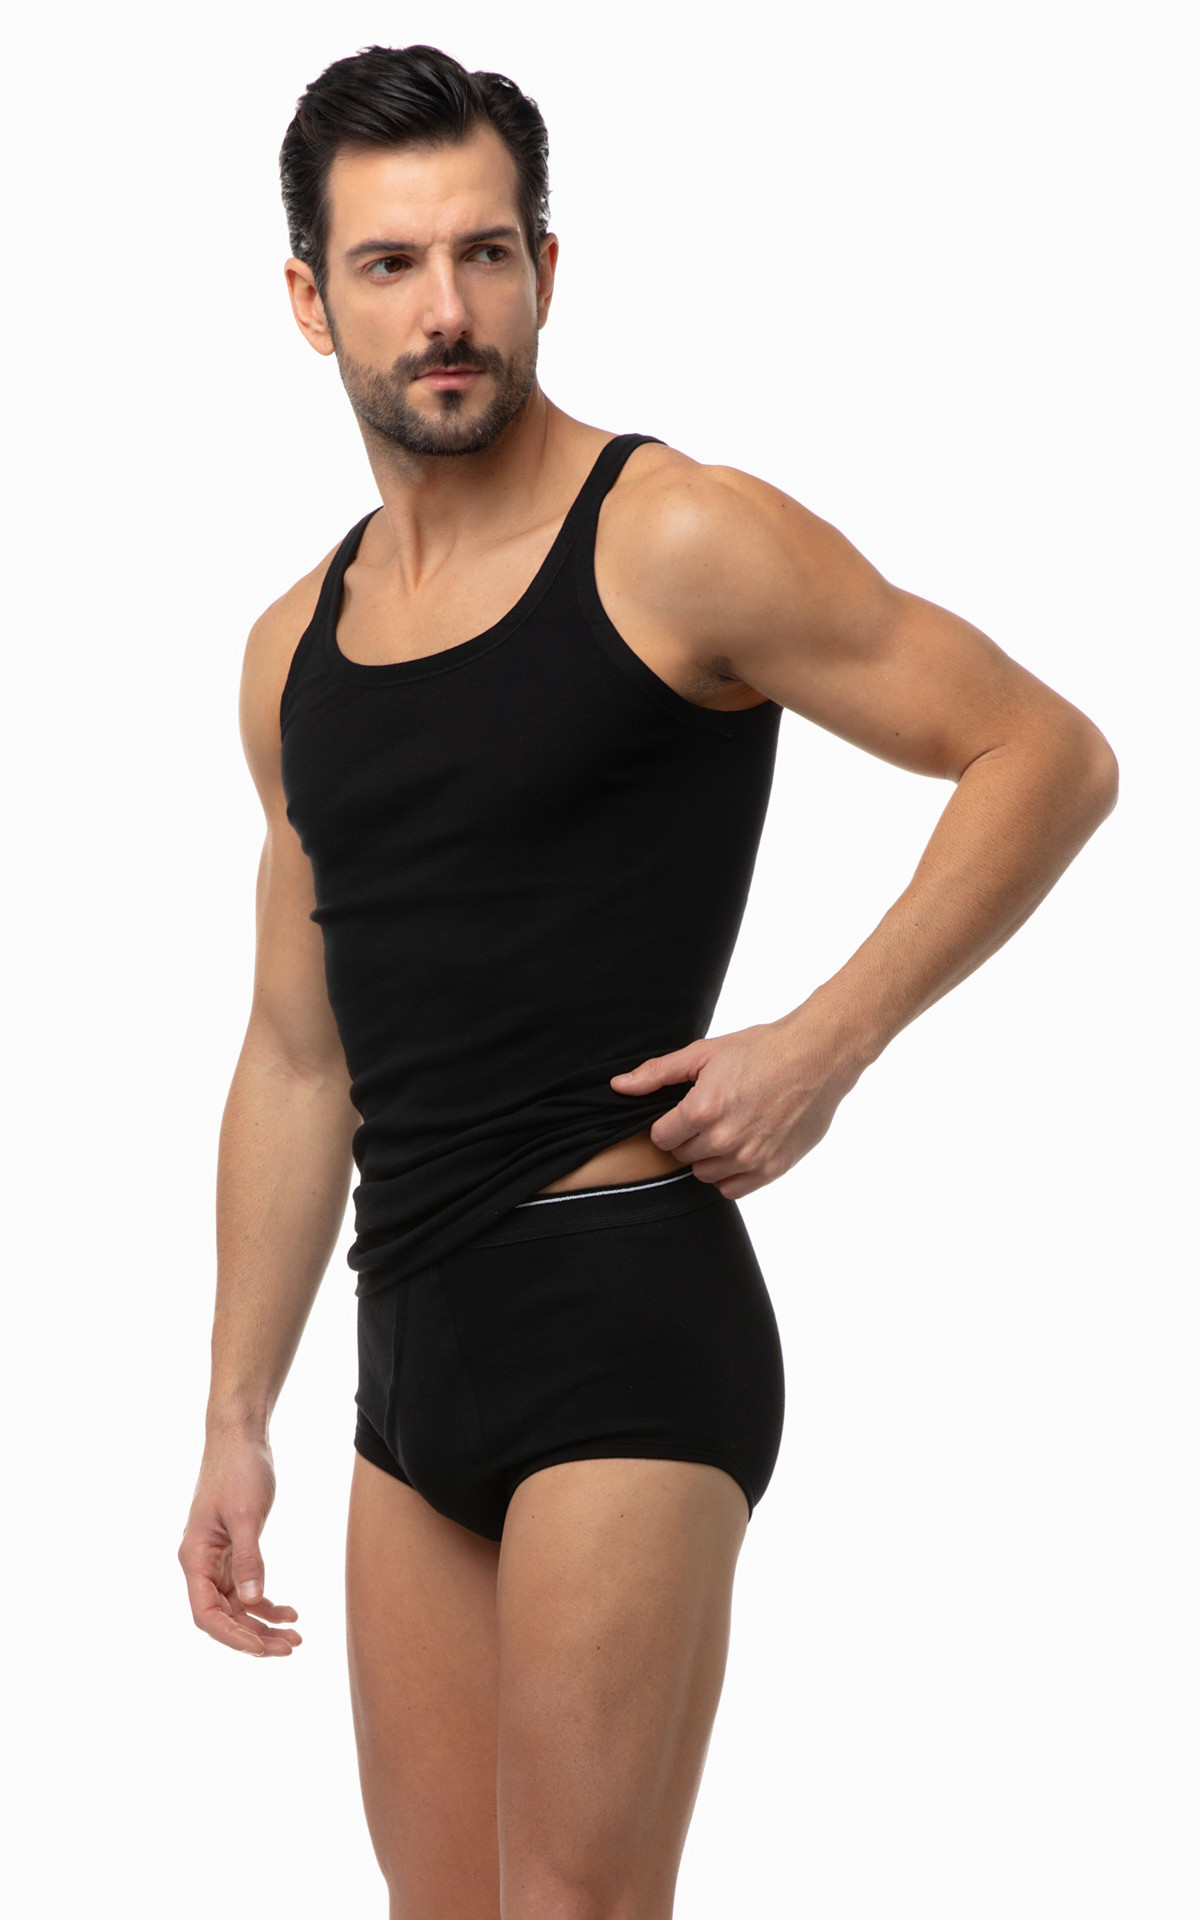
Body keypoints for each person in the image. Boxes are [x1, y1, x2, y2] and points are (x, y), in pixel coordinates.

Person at [178, 41, 1118, 1920]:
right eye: (389, 264)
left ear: (544, 267)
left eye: (485, 252)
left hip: (620, 1306)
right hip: (408, 1348)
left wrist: (824, 1044)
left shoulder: (675, 536)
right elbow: (295, 1057)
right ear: (309, 299)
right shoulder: (294, 653)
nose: (447, 311)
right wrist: (233, 1415)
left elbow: (1044, 754)